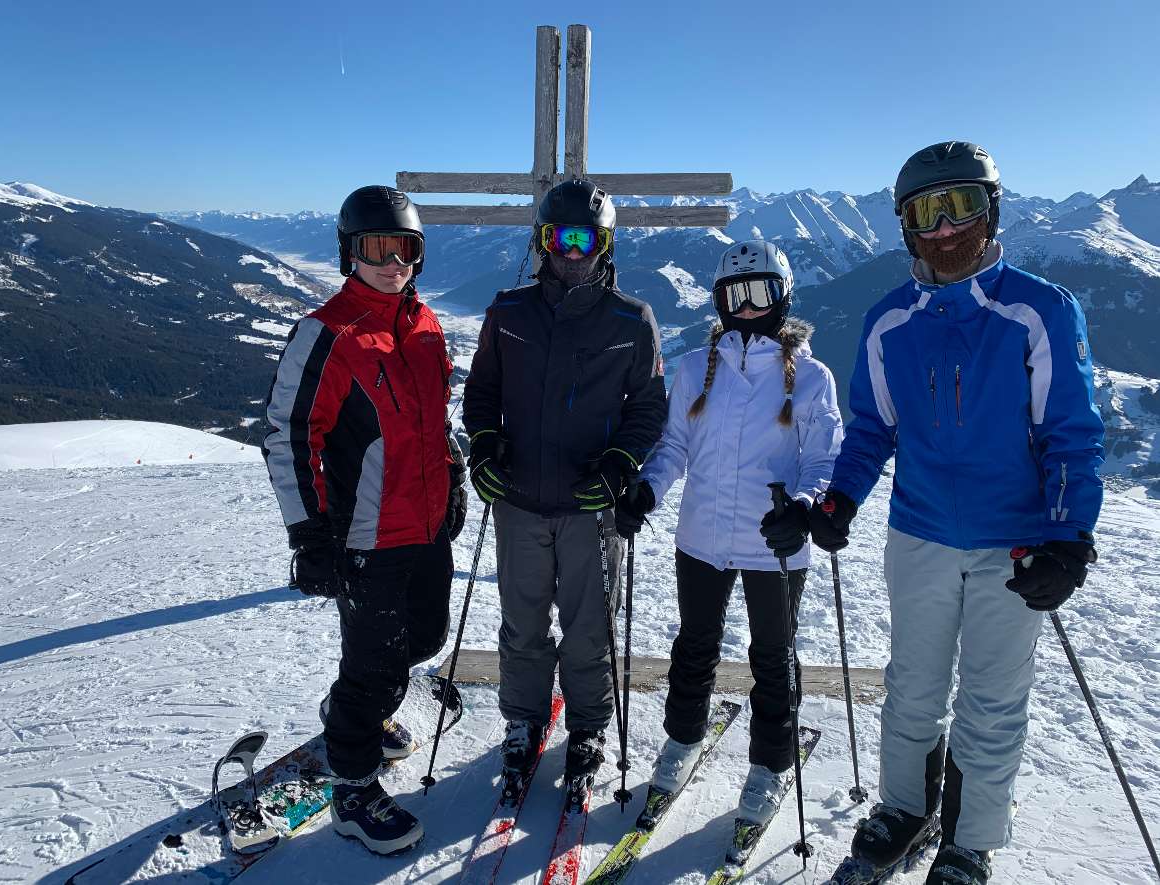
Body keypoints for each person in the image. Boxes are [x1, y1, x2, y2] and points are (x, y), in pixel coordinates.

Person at [781, 142, 1104, 885]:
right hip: (920, 533)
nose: (946, 228)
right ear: (904, 226)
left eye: (962, 206)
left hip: (1014, 543)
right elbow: (871, 429)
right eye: (926, 212)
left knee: (992, 699)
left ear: (992, 211)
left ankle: (969, 840)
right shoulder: (890, 319)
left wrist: (1068, 538)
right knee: (913, 686)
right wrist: (839, 500)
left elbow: (1072, 436)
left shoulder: (1040, 308)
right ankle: (904, 807)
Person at [262, 185, 467, 855]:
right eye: (375, 248)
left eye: (404, 248)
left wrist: (454, 472)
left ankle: (358, 711)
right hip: (366, 536)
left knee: (425, 637)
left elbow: (433, 420)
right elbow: (290, 435)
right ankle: (352, 785)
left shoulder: (428, 324)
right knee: (375, 661)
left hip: (427, 525)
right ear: (350, 252)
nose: (391, 261)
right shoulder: (328, 332)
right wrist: (308, 533)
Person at [617, 240, 843, 826]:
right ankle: (684, 737)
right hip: (702, 537)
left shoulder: (811, 378)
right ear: (719, 301)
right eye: (733, 295)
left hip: (776, 542)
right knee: (695, 644)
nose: (746, 307)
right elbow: (673, 446)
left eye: (759, 293)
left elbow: (823, 460)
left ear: (782, 297)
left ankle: (769, 764)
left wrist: (803, 509)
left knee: (772, 655)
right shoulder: (697, 367)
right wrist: (648, 489)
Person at [462, 178, 667, 795]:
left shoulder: (632, 322)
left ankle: (588, 727)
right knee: (522, 625)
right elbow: (482, 394)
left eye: (585, 239)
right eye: (559, 238)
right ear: (542, 241)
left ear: (604, 245)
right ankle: (523, 724)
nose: (570, 253)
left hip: (588, 506)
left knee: (588, 628)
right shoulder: (508, 313)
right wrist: (484, 444)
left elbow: (649, 410)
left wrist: (619, 465)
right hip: (520, 501)